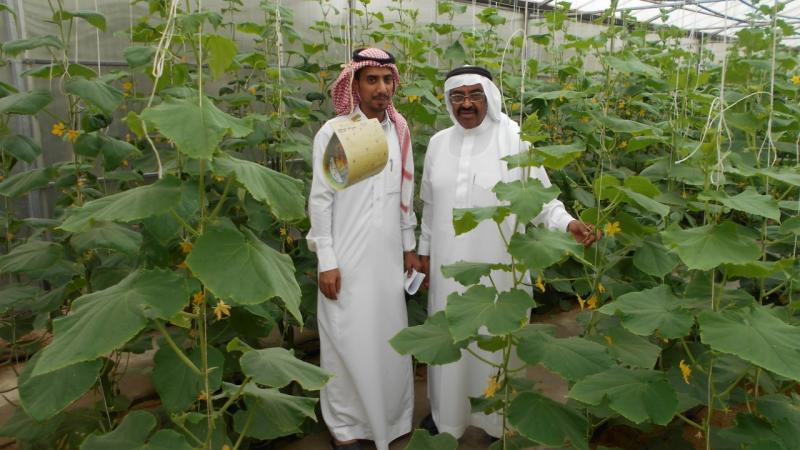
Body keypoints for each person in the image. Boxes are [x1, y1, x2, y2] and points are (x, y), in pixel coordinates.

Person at [416, 66, 599, 439]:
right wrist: (424, 253)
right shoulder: (438, 143)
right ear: (449, 100)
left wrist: (568, 224)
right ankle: (447, 416)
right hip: (448, 267)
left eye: (475, 95)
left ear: (489, 97)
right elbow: (431, 208)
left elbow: (541, 199)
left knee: (495, 340)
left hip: (500, 265)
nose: (466, 103)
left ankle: (491, 421)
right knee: (449, 336)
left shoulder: (514, 139)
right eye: (458, 96)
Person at [306, 47, 421, 450]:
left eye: (387, 79)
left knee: (389, 342)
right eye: (371, 80)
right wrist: (327, 261)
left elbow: (403, 195)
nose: (382, 88)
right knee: (345, 341)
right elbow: (321, 201)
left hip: (387, 260)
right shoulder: (335, 131)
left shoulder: (399, 130)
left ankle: (391, 420)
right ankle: (348, 427)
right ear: (353, 84)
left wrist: (409, 247)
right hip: (347, 261)